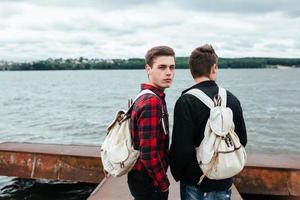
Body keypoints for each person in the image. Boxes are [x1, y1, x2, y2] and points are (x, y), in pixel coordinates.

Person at [169, 44, 247, 200]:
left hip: (195, 181)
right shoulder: (232, 99)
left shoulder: (186, 101)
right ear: (214, 68)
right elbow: (242, 140)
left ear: (192, 71)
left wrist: (178, 174)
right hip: (224, 181)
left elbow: (181, 148)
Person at [127, 46, 176, 200]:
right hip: (148, 180)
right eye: (162, 67)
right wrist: (163, 184)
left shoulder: (145, 96)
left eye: (172, 67)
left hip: (140, 176)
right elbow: (148, 153)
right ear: (148, 69)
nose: (169, 72)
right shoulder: (152, 102)